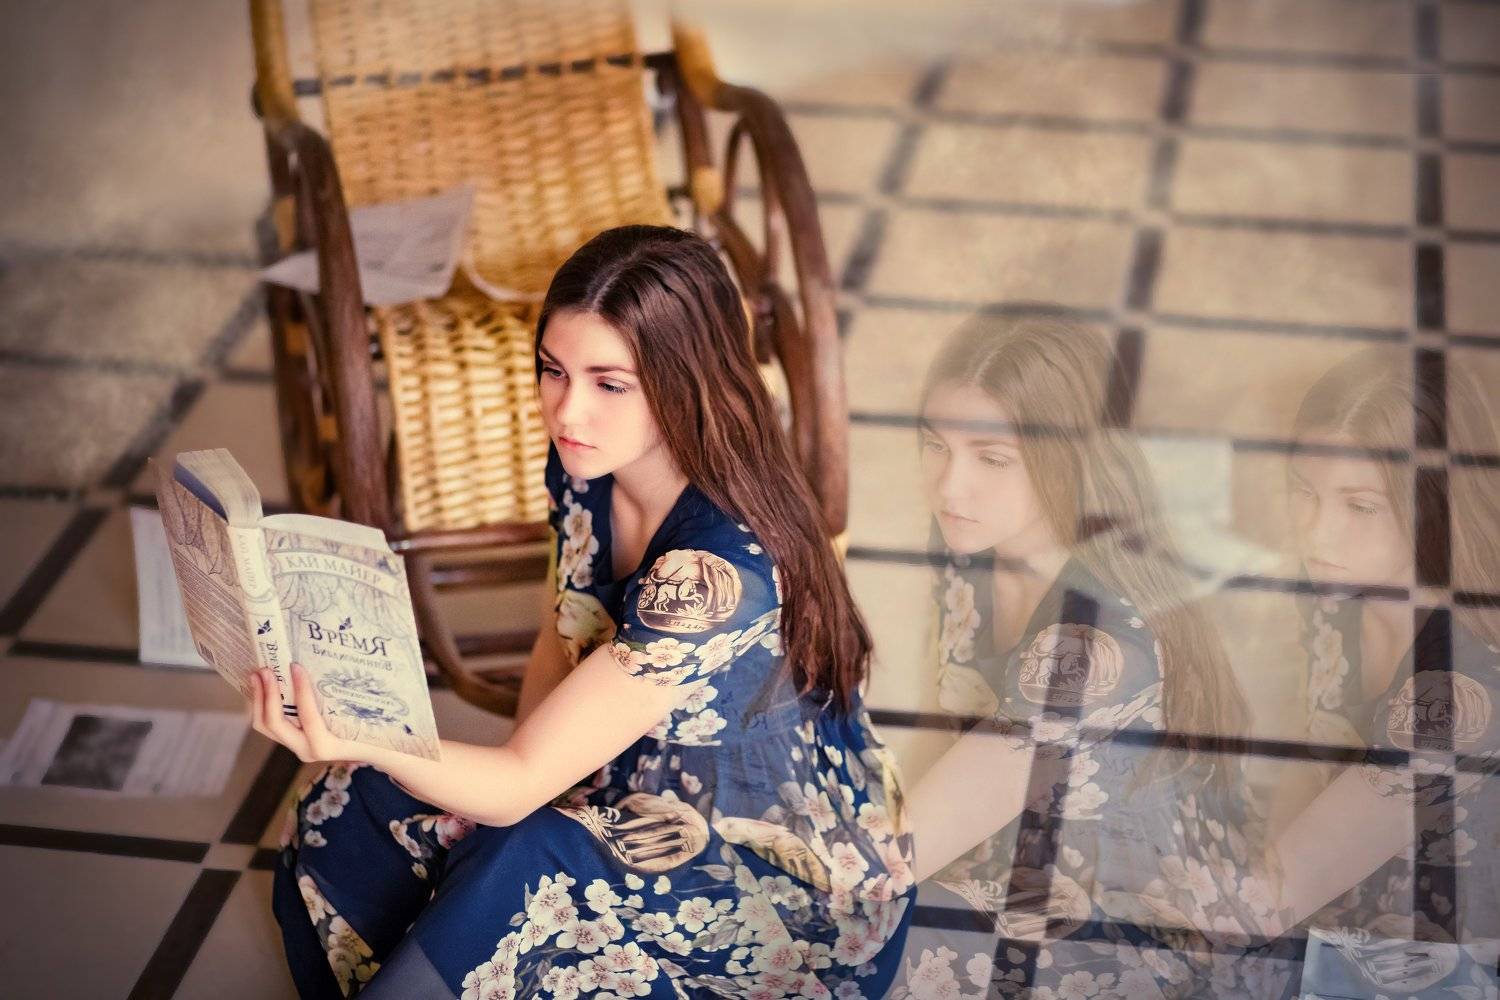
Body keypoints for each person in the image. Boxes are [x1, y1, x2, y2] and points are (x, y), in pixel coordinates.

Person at [259, 224, 915, 999]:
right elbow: (560, 628)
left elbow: (517, 787)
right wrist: (532, 769)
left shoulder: (712, 575)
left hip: (768, 879)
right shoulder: (588, 463)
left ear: (685, 382)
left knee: (525, 859)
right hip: (623, 789)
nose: (568, 411)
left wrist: (473, 770)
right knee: (348, 799)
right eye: (553, 370)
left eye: (610, 384)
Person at [888, 316, 1295, 999]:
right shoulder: (973, 548)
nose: (950, 487)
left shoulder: (1090, 642)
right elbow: (945, 730)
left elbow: (898, 859)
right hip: (1006, 861)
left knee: (844, 941)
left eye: (992, 458)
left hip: (1128, 932)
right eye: (936, 445)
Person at [1269, 347, 1500, 997]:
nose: (1317, 533)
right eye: (1305, 492)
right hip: (1323, 960)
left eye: (1361, 506)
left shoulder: (1466, 683)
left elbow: (1273, 892)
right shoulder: (1334, 608)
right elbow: (1300, 789)